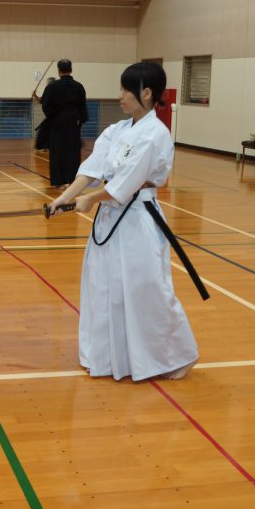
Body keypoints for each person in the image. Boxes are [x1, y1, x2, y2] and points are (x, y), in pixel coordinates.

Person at [47, 62, 198, 381]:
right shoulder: (117, 130)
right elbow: (92, 169)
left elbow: (125, 184)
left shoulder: (155, 134)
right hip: (110, 220)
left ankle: (170, 357)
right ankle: (108, 357)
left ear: (146, 93)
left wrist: (89, 200)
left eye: (125, 90)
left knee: (145, 289)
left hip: (138, 221)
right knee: (104, 287)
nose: (119, 96)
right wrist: (66, 196)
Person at [39, 59, 87, 188]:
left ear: (59, 70)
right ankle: (72, 181)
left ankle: (59, 182)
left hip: (58, 123)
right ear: (71, 70)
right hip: (73, 124)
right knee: (73, 153)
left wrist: (53, 117)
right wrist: (79, 123)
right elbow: (83, 107)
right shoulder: (79, 86)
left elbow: (45, 105)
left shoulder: (52, 86)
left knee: (57, 152)